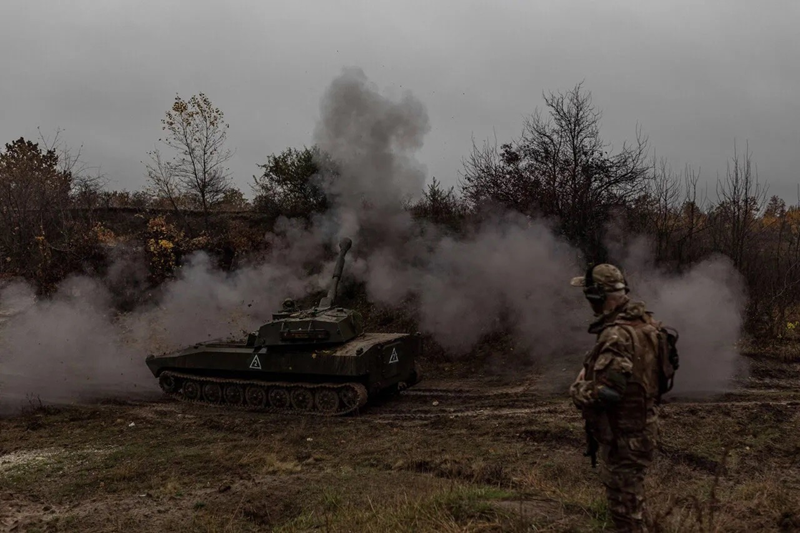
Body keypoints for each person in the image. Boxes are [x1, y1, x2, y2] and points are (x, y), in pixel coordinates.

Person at [569, 264, 662, 533]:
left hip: (624, 437)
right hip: (642, 427)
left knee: (625, 517)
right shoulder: (646, 324)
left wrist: (578, 389)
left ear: (598, 297)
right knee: (632, 506)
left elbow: (609, 393)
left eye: (589, 296)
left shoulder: (617, 334)